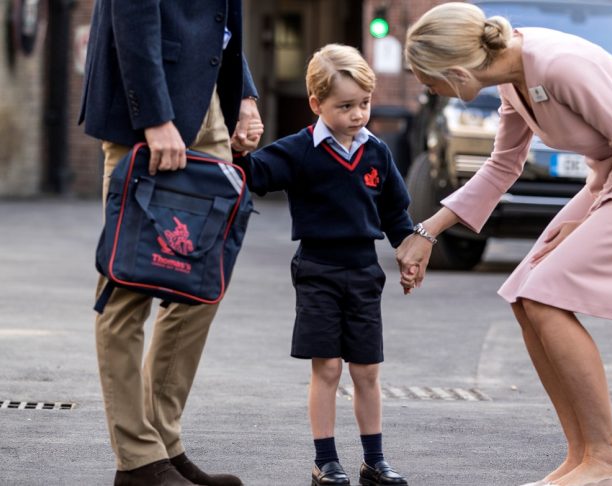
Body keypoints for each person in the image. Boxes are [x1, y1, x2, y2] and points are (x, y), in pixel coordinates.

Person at [398, 3, 612, 486]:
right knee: (523, 296)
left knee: (544, 296)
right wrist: (428, 230)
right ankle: (582, 458)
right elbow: (502, 167)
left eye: (430, 82)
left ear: (457, 72)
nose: (429, 92)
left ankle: (608, 461)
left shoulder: (557, 63)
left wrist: (591, 218)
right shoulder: (513, 78)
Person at [79, 1, 263, 485]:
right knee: (129, 284)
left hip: (208, 106)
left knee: (203, 278)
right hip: (148, 109)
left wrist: (242, 92)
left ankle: (162, 438)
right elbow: (133, 12)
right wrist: (155, 116)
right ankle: (138, 460)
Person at [233, 44, 410, 486]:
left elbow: (395, 214)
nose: (358, 115)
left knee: (367, 370)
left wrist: (408, 253)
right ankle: (326, 461)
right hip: (317, 270)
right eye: (345, 106)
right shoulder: (298, 151)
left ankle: (375, 460)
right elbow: (252, 175)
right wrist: (239, 147)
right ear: (316, 104)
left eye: (364, 104)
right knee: (327, 367)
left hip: (365, 272)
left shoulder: (377, 154)